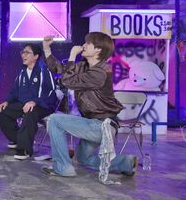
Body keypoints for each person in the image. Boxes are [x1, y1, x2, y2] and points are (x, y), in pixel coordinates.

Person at [42, 30, 137, 178]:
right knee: (83, 159)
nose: (84, 45)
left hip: (103, 126)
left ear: (98, 49)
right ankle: (125, 162)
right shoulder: (84, 66)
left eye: (88, 43)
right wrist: (47, 48)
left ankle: (63, 168)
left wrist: (72, 56)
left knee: (54, 120)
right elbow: (58, 68)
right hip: (93, 123)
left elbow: (68, 81)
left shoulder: (101, 72)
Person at [0, 41, 58, 158]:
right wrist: (7, 101)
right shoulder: (23, 71)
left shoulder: (44, 70)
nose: (24, 55)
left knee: (30, 113)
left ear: (36, 56)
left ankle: (24, 149)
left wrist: (35, 102)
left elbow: (50, 90)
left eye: (27, 53)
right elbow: (15, 90)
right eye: (23, 52)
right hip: (25, 103)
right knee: (2, 112)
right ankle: (18, 139)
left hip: (44, 105)